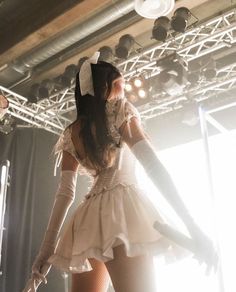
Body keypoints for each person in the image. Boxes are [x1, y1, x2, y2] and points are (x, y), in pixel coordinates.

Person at [23, 52, 217, 292]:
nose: (123, 90)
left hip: (87, 221)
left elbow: (65, 194)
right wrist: (192, 226)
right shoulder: (120, 111)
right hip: (123, 211)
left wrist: (46, 251)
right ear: (105, 88)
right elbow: (153, 166)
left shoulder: (73, 132)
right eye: (119, 84)